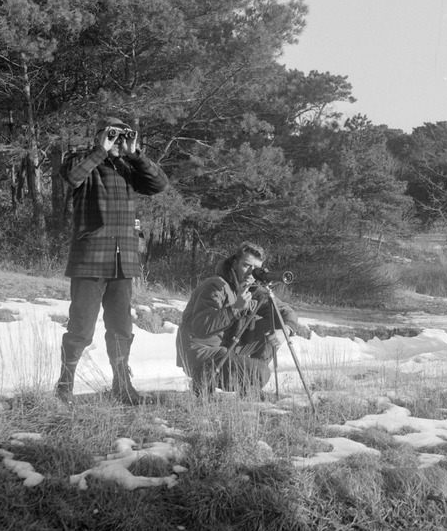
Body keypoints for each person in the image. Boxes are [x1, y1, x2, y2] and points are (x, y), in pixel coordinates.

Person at [55, 115, 170, 405]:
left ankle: (122, 386)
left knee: (121, 328)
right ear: (100, 135)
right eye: (113, 135)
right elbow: (72, 177)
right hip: (90, 259)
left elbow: (159, 184)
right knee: (81, 327)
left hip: (124, 261)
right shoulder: (81, 159)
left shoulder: (128, 167)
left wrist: (136, 154)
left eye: (123, 136)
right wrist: (101, 150)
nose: (119, 141)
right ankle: (64, 387)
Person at [175, 241, 299, 396]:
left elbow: (286, 311)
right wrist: (235, 308)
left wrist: (285, 331)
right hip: (201, 352)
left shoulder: (253, 289)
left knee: (273, 325)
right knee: (261, 373)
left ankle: (249, 388)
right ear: (235, 264)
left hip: (227, 347)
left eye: (256, 269)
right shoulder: (215, 286)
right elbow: (201, 328)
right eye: (246, 265)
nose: (250, 273)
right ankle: (203, 380)